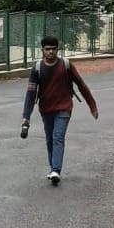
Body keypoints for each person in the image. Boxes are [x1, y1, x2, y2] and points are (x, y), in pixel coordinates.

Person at [20, 35, 98, 185]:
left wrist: (92, 105)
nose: (50, 52)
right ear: (42, 50)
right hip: (46, 109)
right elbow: (31, 94)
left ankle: (56, 169)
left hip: (64, 107)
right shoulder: (37, 68)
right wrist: (26, 117)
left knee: (58, 137)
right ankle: (53, 169)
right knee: (50, 139)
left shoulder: (66, 65)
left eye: (53, 49)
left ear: (57, 49)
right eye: (47, 49)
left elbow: (81, 85)